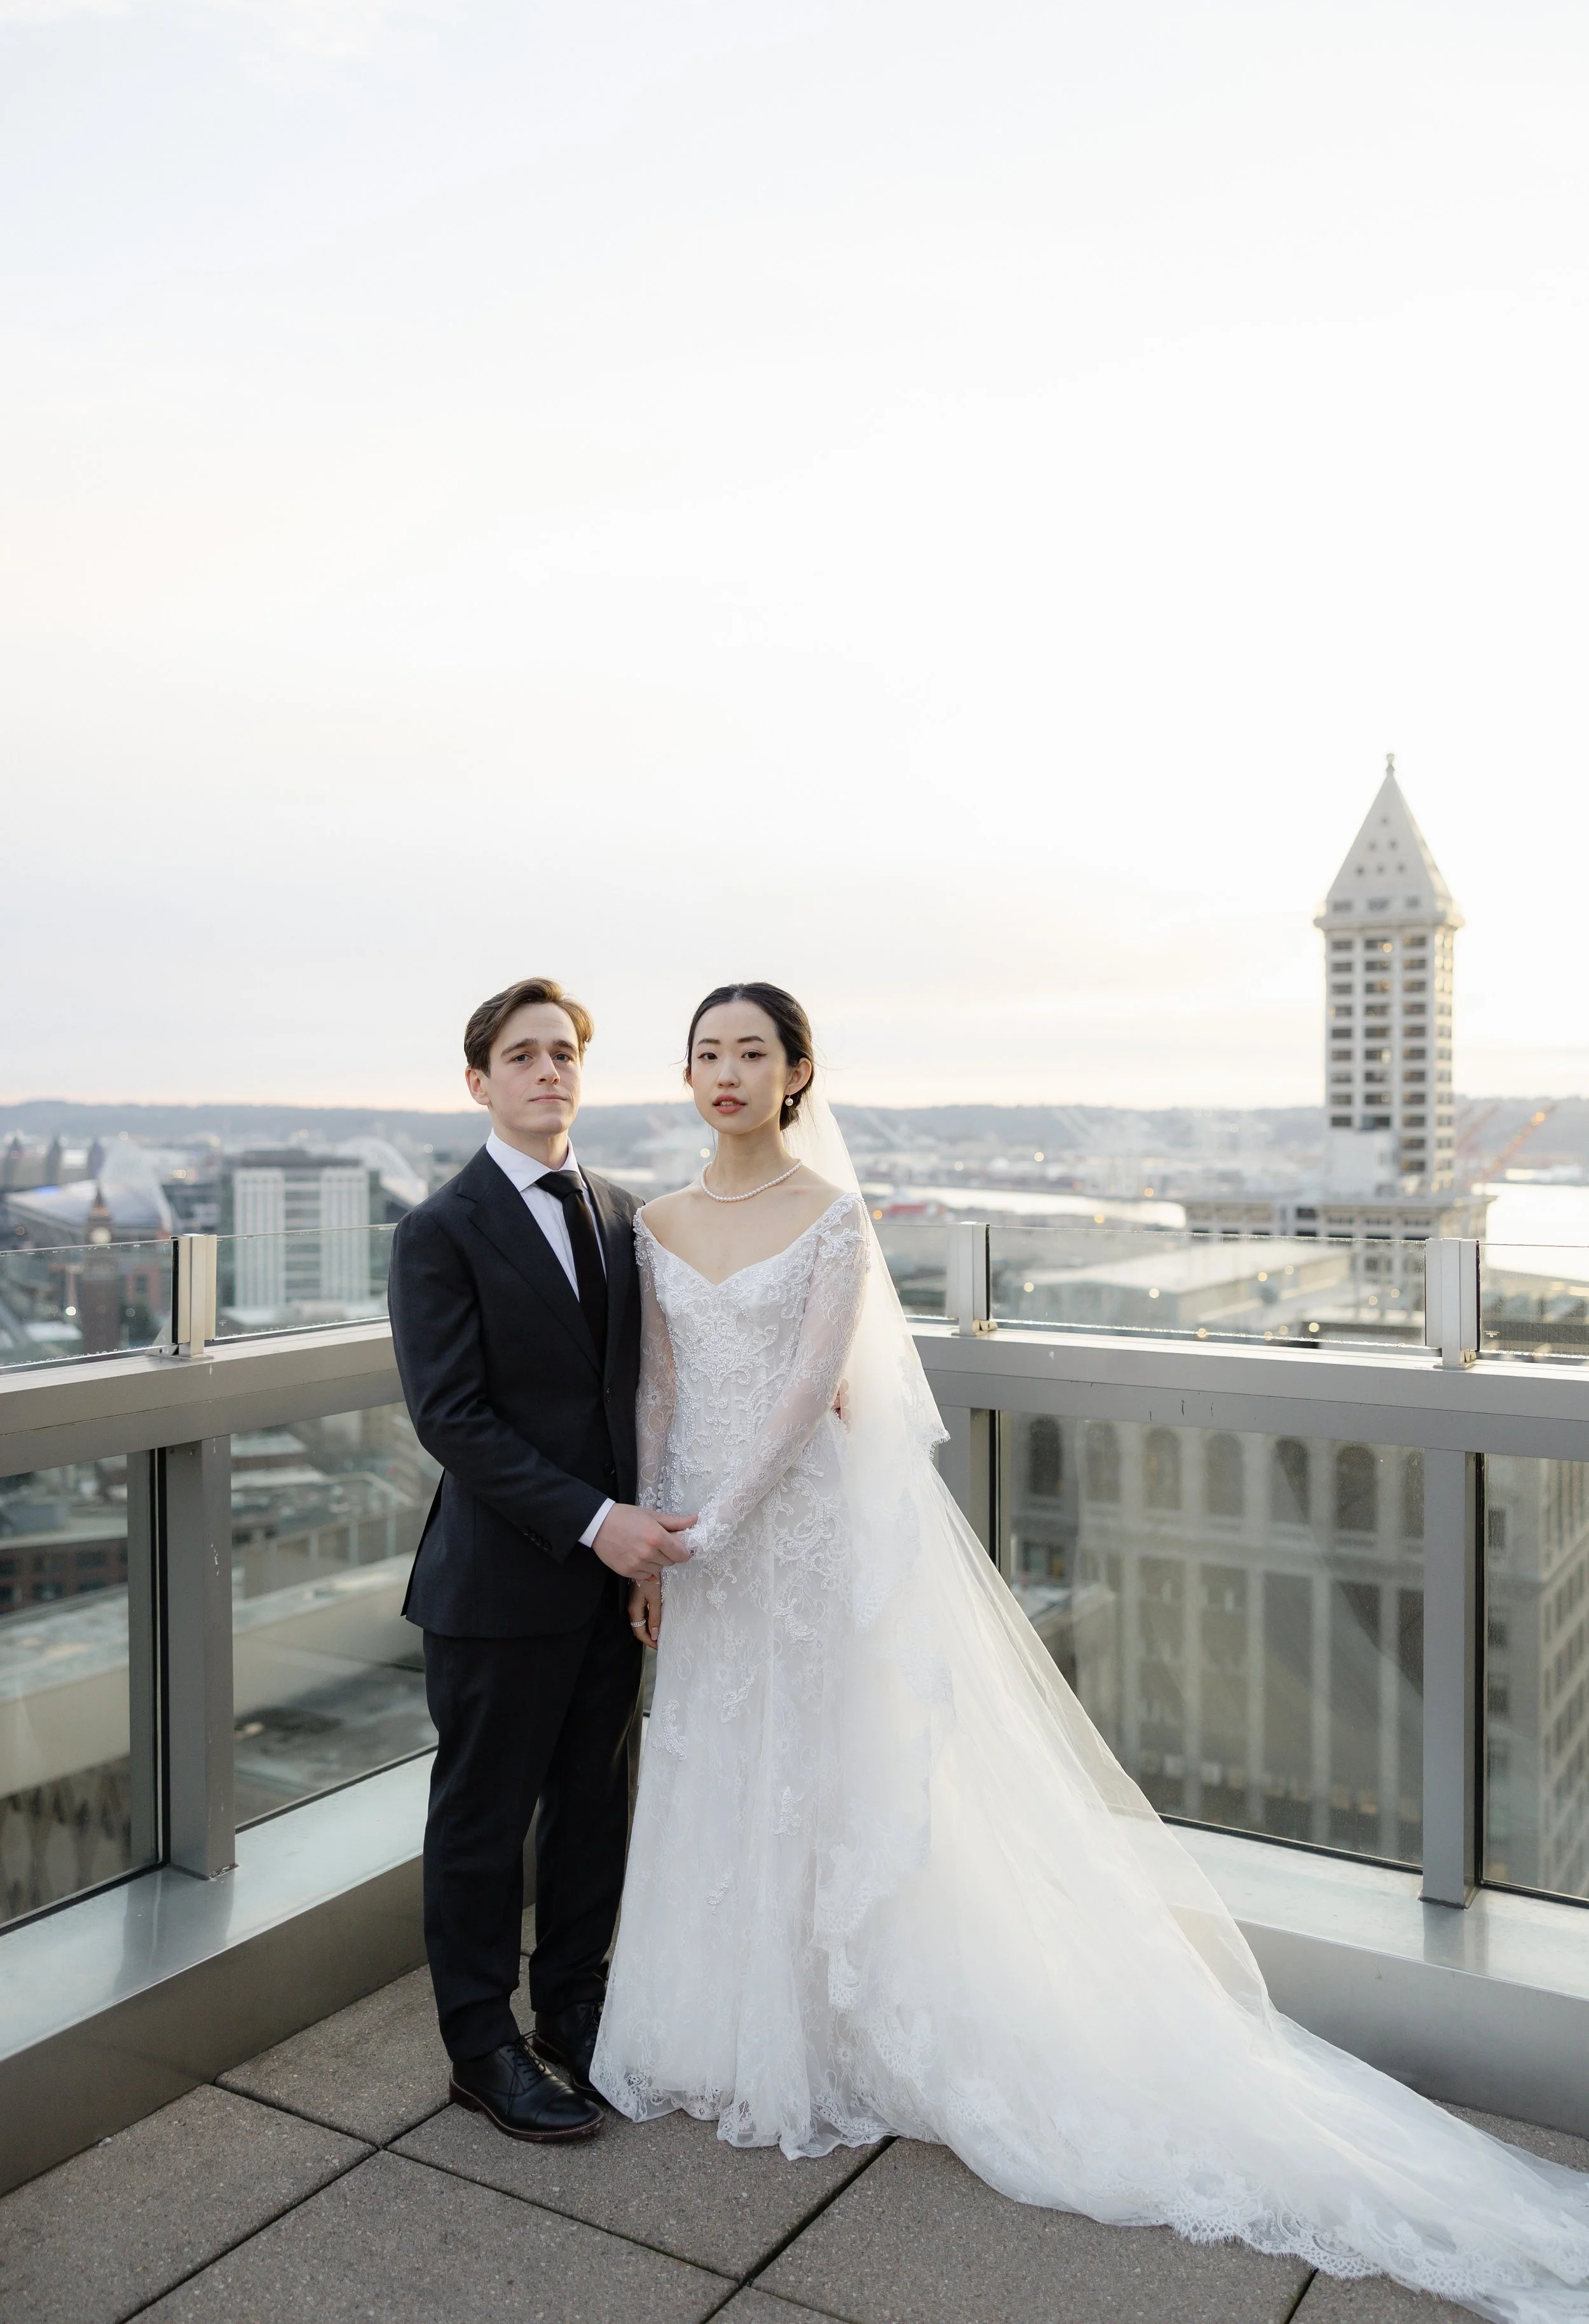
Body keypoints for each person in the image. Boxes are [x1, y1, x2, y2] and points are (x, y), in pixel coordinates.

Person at [594, 981, 1589, 2323]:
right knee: (724, 1765)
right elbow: (659, 1383)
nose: (724, 1074)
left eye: (750, 1053)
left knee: (831, 1767)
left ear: (795, 1073)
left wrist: (712, 1522)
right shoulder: (654, 1222)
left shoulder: (833, 1219)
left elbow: (797, 1396)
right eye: (706, 1053)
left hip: (797, 1535)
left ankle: (846, 2025)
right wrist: (659, 1532)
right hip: (699, 1546)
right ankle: (741, 2031)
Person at [388, 976, 695, 2143]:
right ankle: (482, 2048)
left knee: (592, 1810)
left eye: (563, 1051)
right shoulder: (440, 1228)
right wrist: (594, 1520)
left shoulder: (625, 1214)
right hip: (499, 1582)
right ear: (480, 1081)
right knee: (480, 1824)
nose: (546, 1070)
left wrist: (640, 1549)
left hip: (610, 1581)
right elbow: (452, 1417)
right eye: (521, 1055)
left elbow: (644, 1394)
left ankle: (576, 2007)